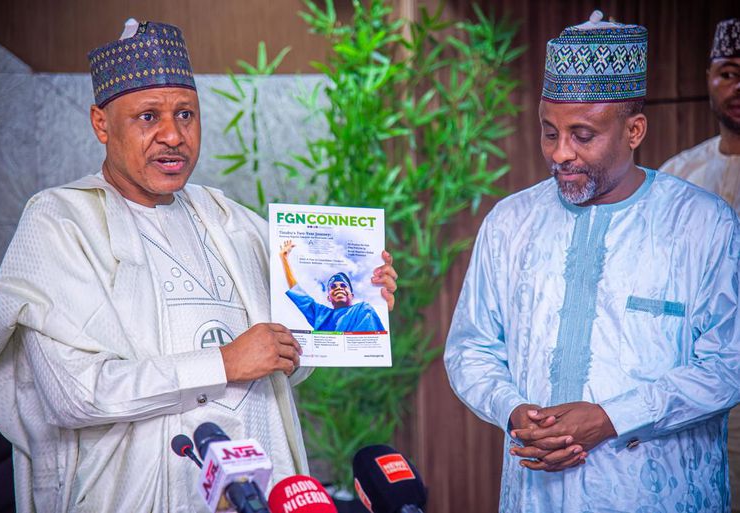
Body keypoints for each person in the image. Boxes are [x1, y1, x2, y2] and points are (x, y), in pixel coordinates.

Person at [0, 20, 397, 513]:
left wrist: (362, 304)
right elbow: (74, 395)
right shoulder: (61, 221)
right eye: (148, 116)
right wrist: (224, 362)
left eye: (186, 114)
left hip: (264, 490)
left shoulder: (232, 221)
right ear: (101, 124)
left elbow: (290, 354)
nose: (173, 135)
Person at [445, 11, 740, 512]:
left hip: (656, 497)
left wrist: (611, 418)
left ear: (634, 130)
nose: (561, 153)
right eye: (549, 132)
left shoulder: (701, 224)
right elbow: (470, 347)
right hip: (535, 495)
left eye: (583, 136)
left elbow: (728, 364)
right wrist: (514, 411)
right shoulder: (510, 222)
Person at [660, 18, 740, 512]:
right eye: (728, 73)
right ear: (708, 79)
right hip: (692, 394)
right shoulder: (679, 176)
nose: (738, 86)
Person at [279, 240, 386, 332]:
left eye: (343, 285)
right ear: (328, 298)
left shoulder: (362, 310)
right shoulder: (321, 315)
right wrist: (284, 259)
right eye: (333, 287)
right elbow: (298, 293)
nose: (338, 288)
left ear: (352, 295)